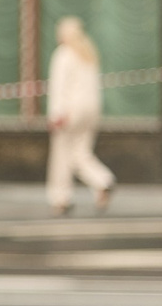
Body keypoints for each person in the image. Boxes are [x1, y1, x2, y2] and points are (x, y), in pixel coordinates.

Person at [47, 15, 114, 216]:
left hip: (70, 111)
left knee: (61, 154)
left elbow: (59, 87)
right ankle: (103, 181)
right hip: (91, 110)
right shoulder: (88, 53)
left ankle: (61, 198)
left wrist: (56, 114)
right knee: (81, 152)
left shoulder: (64, 54)